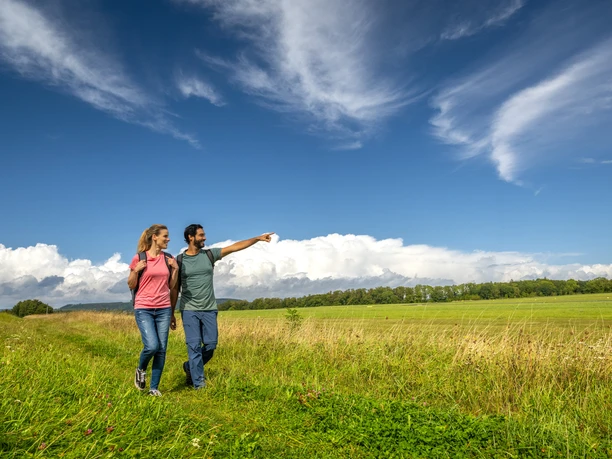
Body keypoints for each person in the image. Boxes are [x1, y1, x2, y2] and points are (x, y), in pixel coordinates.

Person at [171, 224, 273, 389]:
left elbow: (234, 247)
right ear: (191, 237)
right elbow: (174, 288)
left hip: (209, 308)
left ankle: (189, 367)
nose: (204, 238)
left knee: (211, 345)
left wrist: (257, 238)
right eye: (201, 235)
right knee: (194, 346)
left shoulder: (210, 255)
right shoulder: (179, 261)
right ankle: (199, 384)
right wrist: (171, 313)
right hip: (189, 309)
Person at [128, 224, 178, 396]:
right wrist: (136, 270)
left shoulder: (169, 259)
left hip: (164, 308)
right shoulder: (139, 258)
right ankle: (141, 369)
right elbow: (131, 284)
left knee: (162, 349)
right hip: (144, 308)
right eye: (165, 236)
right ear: (154, 237)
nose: (168, 239)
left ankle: (154, 388)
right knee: (152, 346)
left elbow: (171, 286)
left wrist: (175, 270)